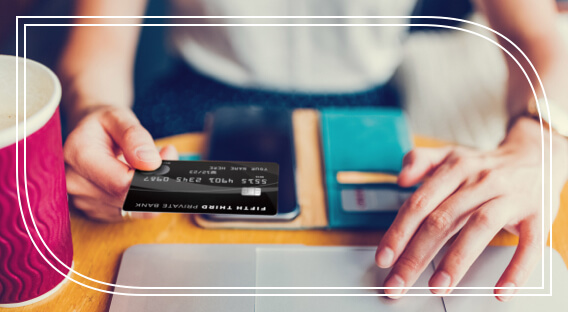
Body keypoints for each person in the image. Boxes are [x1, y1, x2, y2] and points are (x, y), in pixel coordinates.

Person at [58, 0, 568, 301]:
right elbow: (98, 38)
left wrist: (542, 139)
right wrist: (91, 112)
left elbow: (541, 31)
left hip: (363, 109)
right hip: (191, 106)